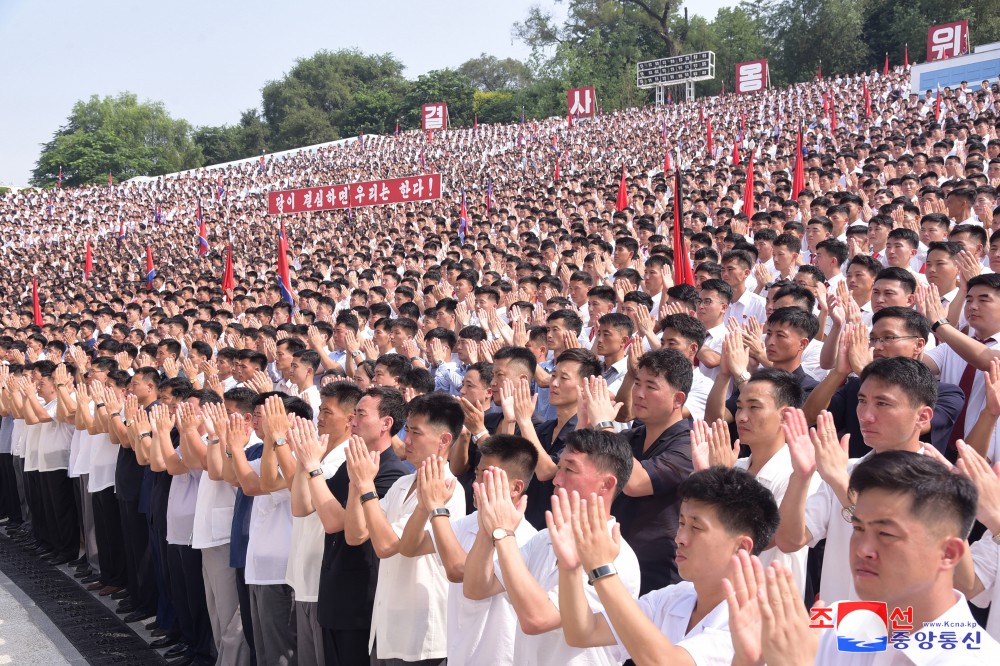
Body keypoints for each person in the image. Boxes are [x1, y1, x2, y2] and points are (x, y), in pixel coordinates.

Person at [553, 466, 779, 666]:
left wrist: (603, 570)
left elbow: (665, 662)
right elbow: (582, 632)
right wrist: (570, 568)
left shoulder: (756, 619)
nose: (680, 537)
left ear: (741, 547)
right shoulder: (673, 597)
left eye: (696, 527)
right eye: (681, 523)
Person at [463, 429, 641, 665]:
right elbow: (476, 588)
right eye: (559, 468)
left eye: (570, 469)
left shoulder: (615, 556)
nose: (557, 480)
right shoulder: (543, 539)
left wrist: (503, 532)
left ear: (605, 484)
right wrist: (489, 527)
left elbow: (537, 619)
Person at [775, 357, 938, 604]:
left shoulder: (939, 480)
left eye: (883, 403)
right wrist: (801, 476)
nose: (867, 415)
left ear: (923, 417)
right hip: (837, 629)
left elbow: (896, 548)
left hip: (898, 633)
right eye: (862, 401)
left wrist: (840, 482)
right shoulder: (846, 469)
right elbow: (789, 540)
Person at [344, 392, 467, 665]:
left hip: (422, 632)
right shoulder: (402, 484)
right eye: (407, 430)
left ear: (444, 440)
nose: (407, 440)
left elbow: (387, 546)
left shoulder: (449, 490)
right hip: (387, 624)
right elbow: (355, 535)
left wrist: (366, 486)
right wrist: (356, 483)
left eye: (416, 432)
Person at [398, 435, 539, 665]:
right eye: (477, 475)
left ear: (516, 488)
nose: (476, 484)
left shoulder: (524, 538)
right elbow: (409, 547)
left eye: (487, 477)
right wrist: (424, 506)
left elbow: (458, 571)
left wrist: (437, 508)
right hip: (459, 655)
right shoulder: (470, 522)